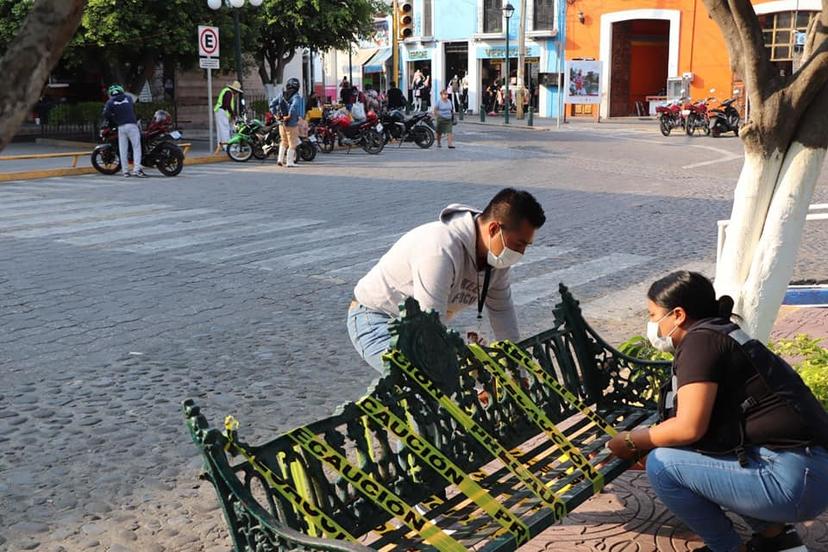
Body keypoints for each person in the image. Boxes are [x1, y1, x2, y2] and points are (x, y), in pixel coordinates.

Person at [607, 271, 828, 552]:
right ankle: (777, 539)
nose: (651, 325)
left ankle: (725, 547)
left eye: (652, 315)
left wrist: (628, 440)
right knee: (698, 456)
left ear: (677, 315)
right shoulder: (718, 332)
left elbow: (688, 428)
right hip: (810, 471)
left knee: (662, 465)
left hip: (795, 481)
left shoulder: (700, 343)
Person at [348, 188, 545, 373]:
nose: (521, 252)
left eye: (526, 245)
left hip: (420, 325)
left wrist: (516, 373)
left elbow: (502, 314)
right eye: (519, 244)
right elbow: (431, 323)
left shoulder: (496, 258)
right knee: (421, 384)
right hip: (376, 318)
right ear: (494, 229)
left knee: (443, 384)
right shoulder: (440, 249)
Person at [102, 84, 144, 178]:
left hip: (121, 127)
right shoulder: (128, 98)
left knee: (123, 149)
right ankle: (136, 170)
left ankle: (125, 171)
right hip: (132, 125)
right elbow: (133, 106)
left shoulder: (110, 102)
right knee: (136, 147)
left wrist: (114, 119)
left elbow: (106, 114)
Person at [275, 77, 303, 168]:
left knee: (283, 141)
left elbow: (272, 104)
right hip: (291, 123)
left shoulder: (281, 94)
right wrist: (289, 115)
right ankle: (289, 162)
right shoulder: (296, 96)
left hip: (281, 122)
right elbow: (294, 106)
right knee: (292, 143)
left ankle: (280, 159)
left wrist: (275, 115)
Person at [214, 80, 242, 149]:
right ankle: (227, 147)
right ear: (234, 90)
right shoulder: (229, 93)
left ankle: (221, 146)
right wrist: (233, 115)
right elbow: (228, 105)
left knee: (221, 130)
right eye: (237, 91)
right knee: (225, 130)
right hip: (222, 111)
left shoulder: (226, 91)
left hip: (220, 111)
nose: (237, 93)